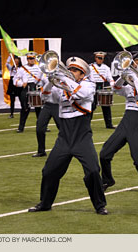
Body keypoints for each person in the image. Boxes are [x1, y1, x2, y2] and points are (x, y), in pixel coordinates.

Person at [28, 56, 108, 215]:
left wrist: (63, 78)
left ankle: (100, 205)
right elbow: (45, 95)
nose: (71, 72)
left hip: (82, 137)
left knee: (92, 171)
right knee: (49, 171)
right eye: (69, 69)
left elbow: (80, 94)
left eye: (75, 70)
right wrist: (51, 80)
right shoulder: (62, 87)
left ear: (82, 74)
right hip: (64, 138)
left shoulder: (89, 85)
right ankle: (45, 203)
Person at [99, 60, 138, 193]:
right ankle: (107, 179)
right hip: (124, 124)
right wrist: (123, 75)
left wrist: (134, 77)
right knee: (104, 154)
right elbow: (116, 88)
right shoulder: (130, 88)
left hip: (137, 126)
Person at [13, 52, 44, 133]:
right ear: (27, 59)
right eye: (30, 59)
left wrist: (40, 85)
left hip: (35, 87)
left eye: (33, 58)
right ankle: (21, 127)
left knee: (38, 108)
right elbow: (15, 80)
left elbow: (42, 79)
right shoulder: (22, 69)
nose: (32, 60)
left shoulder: (39, 68)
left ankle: (42, 126)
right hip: (26, 88)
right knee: (25, 108)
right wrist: (21, 83)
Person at [32, 76, 61, 157]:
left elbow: (58, 97)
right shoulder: (46, 79)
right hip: (47, 106)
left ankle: (67, 149)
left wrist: (56, 83)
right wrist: (50, 82)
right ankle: (41, 151)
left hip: (57, 106)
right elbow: (43, 94)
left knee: (62, 129)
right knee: (39, 128)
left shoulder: (62, 82)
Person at [90, 51, 115, 129]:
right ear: (95, 58)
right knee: (91, 106)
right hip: (93, 87)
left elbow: (109, 77)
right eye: (99, 58)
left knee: (106, 106)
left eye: (102, 58)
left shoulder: (106, 68)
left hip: (102, 86)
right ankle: (86, 124)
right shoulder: (90, 67)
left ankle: (109, 124)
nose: (100, 60)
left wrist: (112, 82)